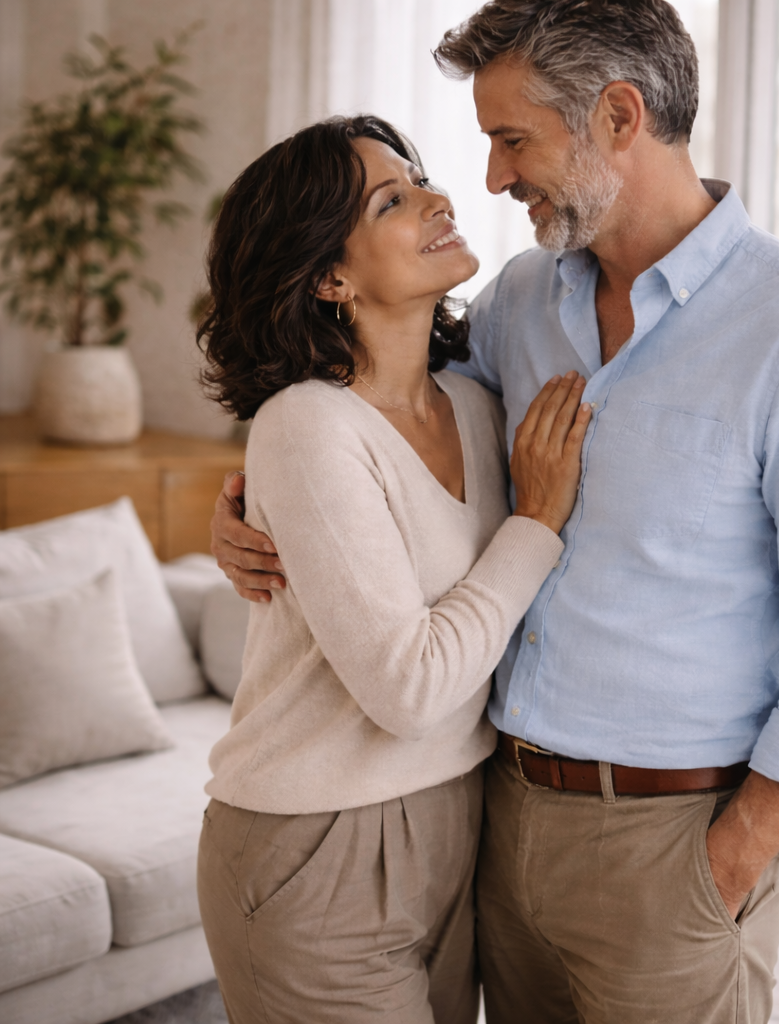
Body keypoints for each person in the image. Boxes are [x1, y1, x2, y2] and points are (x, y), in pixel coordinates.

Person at [210, 2, 779, 1022]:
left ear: (619, 116)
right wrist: (241, 513)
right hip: (496, 814)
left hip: (676, 837)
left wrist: (737, 853)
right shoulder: (517, 304)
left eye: (511, 139)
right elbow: (366, 429)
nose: (492, 178)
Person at [194, 114, 592, 1024]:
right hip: (312, 847)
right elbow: (410, 691)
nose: (438, 199)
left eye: (419, 180)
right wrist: (535, 523)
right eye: (393, 199)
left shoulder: (478, 401)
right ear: (331, 276)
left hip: (461, 824)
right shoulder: (305, 424)